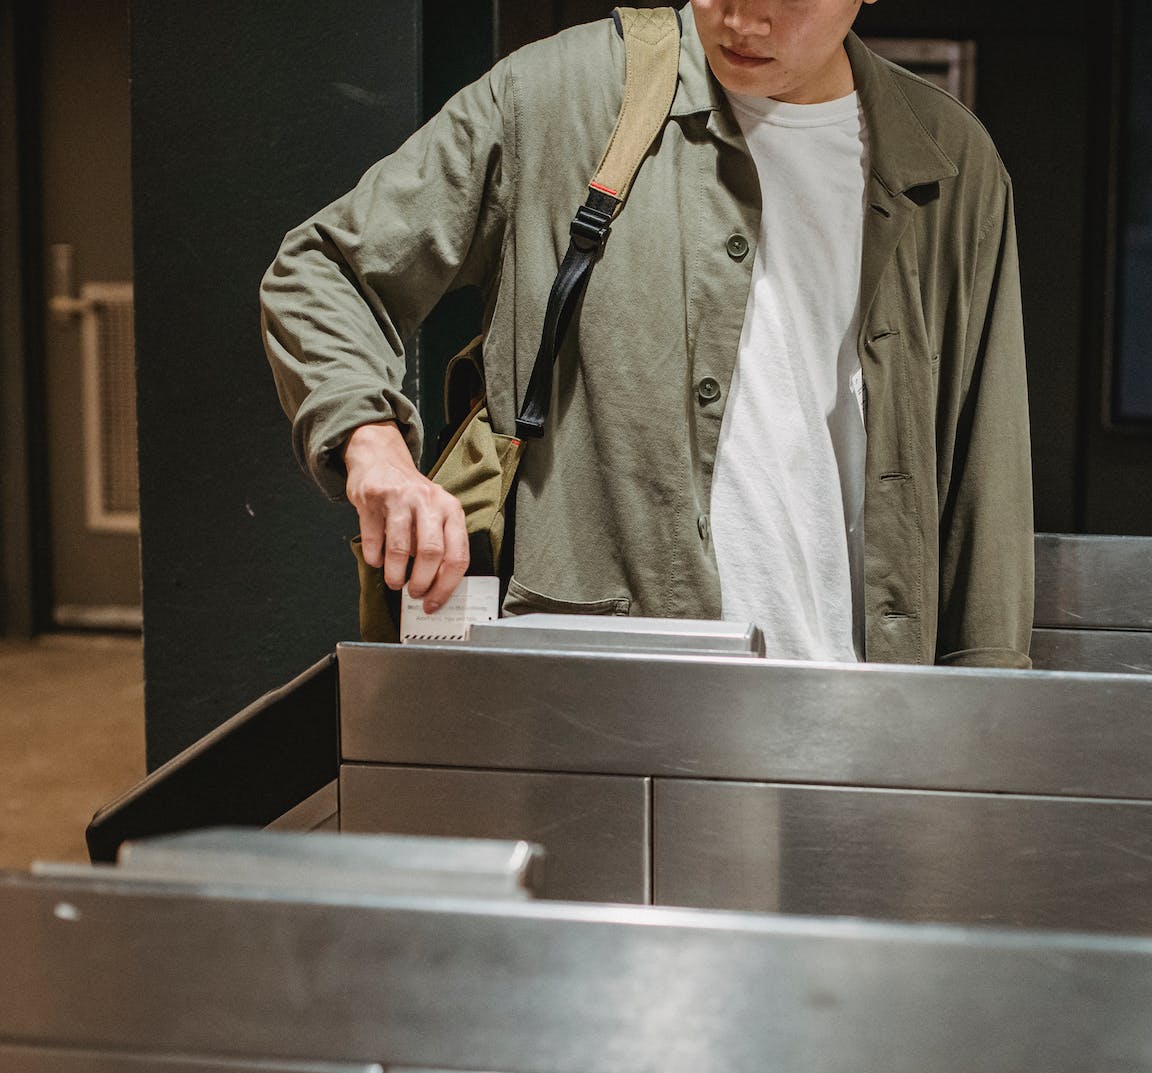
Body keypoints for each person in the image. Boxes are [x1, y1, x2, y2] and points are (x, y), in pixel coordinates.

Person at [262, 0, 1034, 666]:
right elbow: (325, 269)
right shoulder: (561, 97)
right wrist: (373, 448)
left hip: (857, 727)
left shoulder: (948, 163)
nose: (743, 20)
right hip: (601, 714)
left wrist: (982, 733)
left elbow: (985, 490)